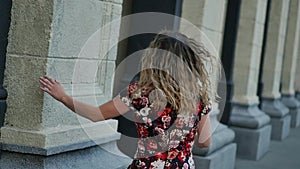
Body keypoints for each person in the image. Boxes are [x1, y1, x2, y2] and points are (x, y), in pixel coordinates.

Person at [39, 30, 220, 169]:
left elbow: (96, 114)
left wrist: (63, 96)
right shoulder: (199, 98)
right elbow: (204, 142)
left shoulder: (139, 94)